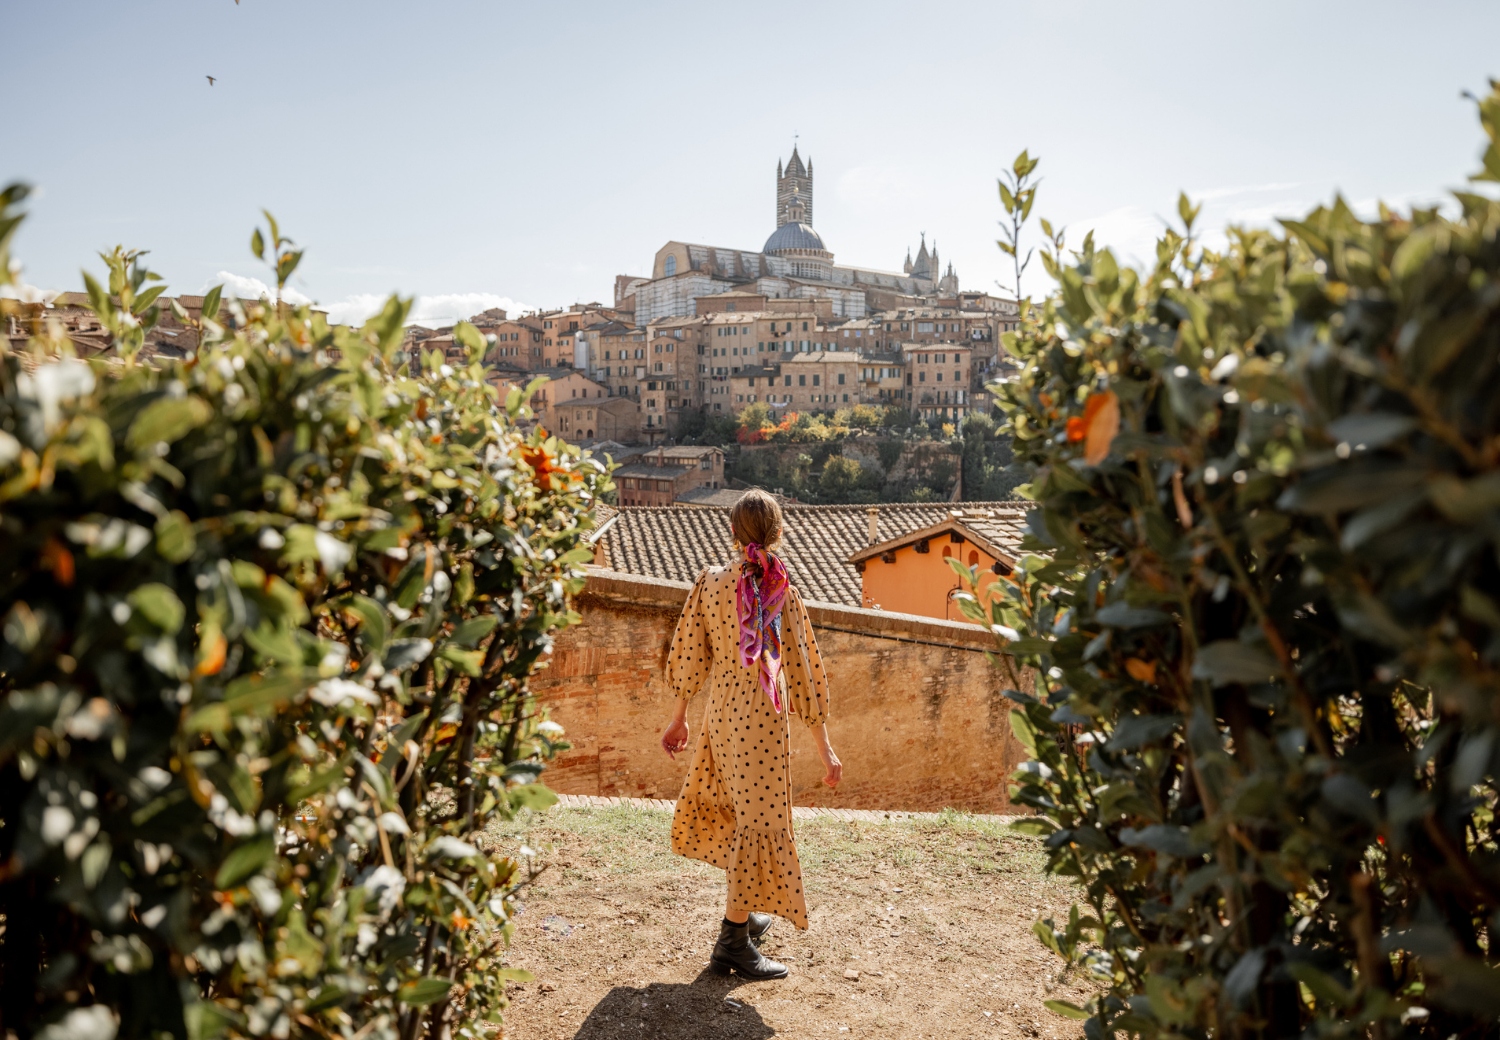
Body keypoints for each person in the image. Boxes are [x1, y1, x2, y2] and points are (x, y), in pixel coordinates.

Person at [660, 489, 842, 980]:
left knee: (743, 814)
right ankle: (732, 943)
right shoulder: (782, 591)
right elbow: (803, 671)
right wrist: (825, 748)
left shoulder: (709, 583)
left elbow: (690, 654)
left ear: (733, 533)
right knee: (759, 821)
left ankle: (745, 911)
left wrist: (680, 718)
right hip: (762, 723)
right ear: (777, 533)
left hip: (722, 716)